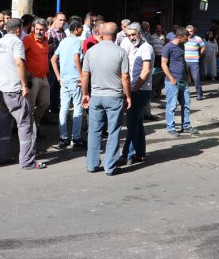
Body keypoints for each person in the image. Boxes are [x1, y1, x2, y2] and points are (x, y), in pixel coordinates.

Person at [0, 18, 46, 170]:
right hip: (14, 90)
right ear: (18, 30)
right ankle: (27, 161)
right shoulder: (17, 43)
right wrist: (24, 85)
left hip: (1, 91)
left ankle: (3, 156)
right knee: (26, 125)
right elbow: (19, 62)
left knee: (4, 126)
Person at [81, 22, 131, 176]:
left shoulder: (91, 51)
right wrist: (128, 96)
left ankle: (92, 164)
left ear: (102, 34)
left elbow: (84, 75)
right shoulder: (121, 52)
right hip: (114, 97)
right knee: (113, 131)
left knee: (94, 131)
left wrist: (85, 94)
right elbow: (125, 77)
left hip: (96, 96)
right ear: (116, 35)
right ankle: (110, 166)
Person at [119, 22, 153, 165]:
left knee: (132, 123)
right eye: (128, 35)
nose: (131, 38)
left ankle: (127, 154)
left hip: (141, 90)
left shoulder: (146, 48)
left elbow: (146, 71)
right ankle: (140, 153)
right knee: (137, 122)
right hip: (133, 89)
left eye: (133, 34)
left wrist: (134, 89)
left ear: (140, 33)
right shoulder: (130, 46)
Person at [51, 20, 85, 148]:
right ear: (76, 29)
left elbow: (53, 59)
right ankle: (76, 138)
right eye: (80, 28)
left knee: (64, 108)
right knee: (78, 108)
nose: (81, 30)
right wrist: (81, 75)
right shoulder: (76, 41)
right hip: (74, 79)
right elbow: (76, 58)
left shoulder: (63, 41)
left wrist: (59, 76)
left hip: (64, 79)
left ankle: (63, 138)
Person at [161, 27, 199, 136]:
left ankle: (186, 126)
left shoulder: (182, 45)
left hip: (183, 80)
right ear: (179, 37)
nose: (188, 39)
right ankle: (170, 127)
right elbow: (163, 64)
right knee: (172, 106)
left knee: (186, 104)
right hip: (172, 81)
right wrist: (172, 79)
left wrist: (188, 75)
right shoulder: (168, 47)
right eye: (186, 37)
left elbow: (183, 61)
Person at [23, 17, 51, 133]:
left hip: (44, 77)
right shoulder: (28, 40)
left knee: (45, 103)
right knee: (30, 105)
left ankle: (35, 124)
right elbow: (19, 57)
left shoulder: (46, 39)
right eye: (38, 29)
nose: (40, 32)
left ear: (46, 30)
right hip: (32, 78)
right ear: (33, 28)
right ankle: (28, 130)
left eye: (42, 30)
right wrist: (25, 72)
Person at [47, 12, 67, 114]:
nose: (62, 22)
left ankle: (55, 107)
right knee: (51, 86)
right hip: (52, 64)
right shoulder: (50, 33)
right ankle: (48, 109)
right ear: (55, 20)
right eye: (60, 20)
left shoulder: (64, 33)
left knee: (57, 87)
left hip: (61, 64)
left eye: (64, 20)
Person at [185, 25, 206, 100]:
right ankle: (185, 95)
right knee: (185, 79)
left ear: (194, 31)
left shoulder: (198, 38)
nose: (189, 33)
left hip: (194, 62)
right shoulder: (184, 38)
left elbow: (203, 46)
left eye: (191, 31)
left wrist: (200, 54)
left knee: (196, 78)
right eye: (188, 31)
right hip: (185, 61)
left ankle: (199, 94)